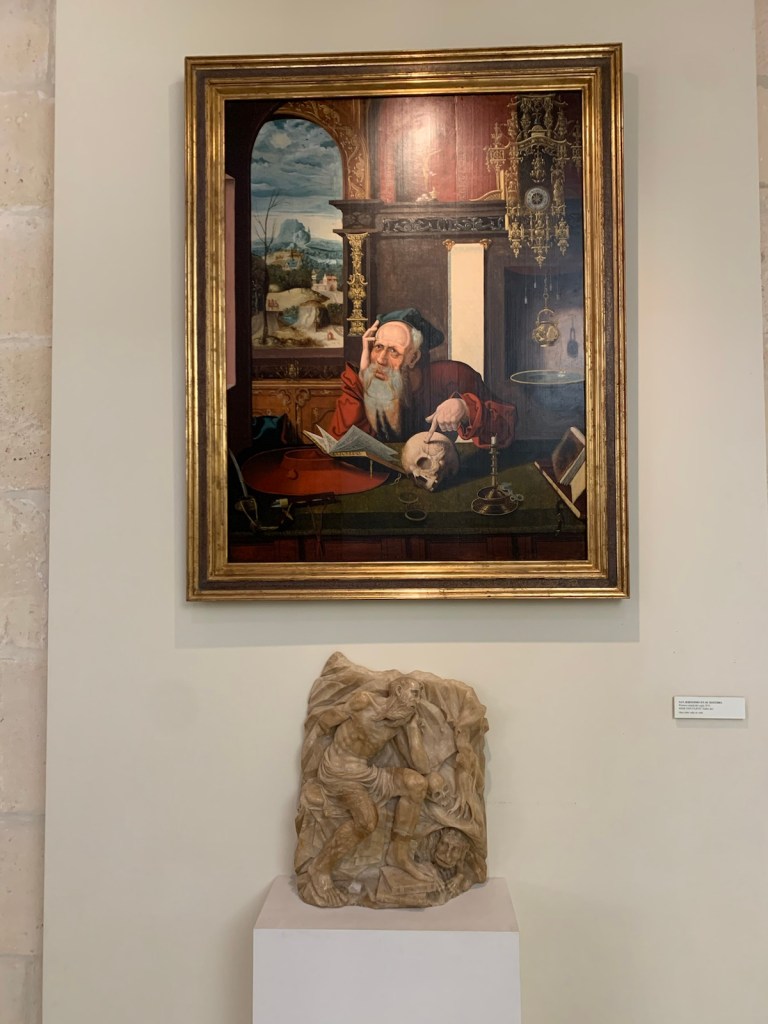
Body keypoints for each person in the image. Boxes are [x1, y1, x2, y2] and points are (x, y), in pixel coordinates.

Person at [306, 675, 438, 907]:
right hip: (339, 772)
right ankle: (320, 869)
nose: (417, 700)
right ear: (398, 690)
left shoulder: (401, 721)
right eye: (414, 693)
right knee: (367, 821)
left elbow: (422, 767)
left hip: (368, 774)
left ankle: (399, 855)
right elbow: (324, 722)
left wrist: (413, 728)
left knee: (416, 784)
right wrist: (310, 766)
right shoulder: (364, 702)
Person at [327, 308, 517, 446]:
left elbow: (506, 425)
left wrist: (466, 408)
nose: (381, 359)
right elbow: (340, 442)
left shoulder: (452, 376)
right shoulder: (372, 380)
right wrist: (363, 380)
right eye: (378, 347)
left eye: (393, 351)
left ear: (413, 358)